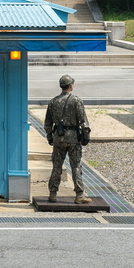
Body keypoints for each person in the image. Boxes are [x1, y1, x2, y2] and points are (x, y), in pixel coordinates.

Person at [44, 74, 91, 204]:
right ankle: (79, 194)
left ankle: (53, 193)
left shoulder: (53, 102)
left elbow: (48, 123)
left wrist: (50, 137)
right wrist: (86, 137)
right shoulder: (76, 101)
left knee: (57, 166)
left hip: (58, 138)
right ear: (71, 86)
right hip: (73, 138)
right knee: (75, 165)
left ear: (60, 86)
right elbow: (84, 122)